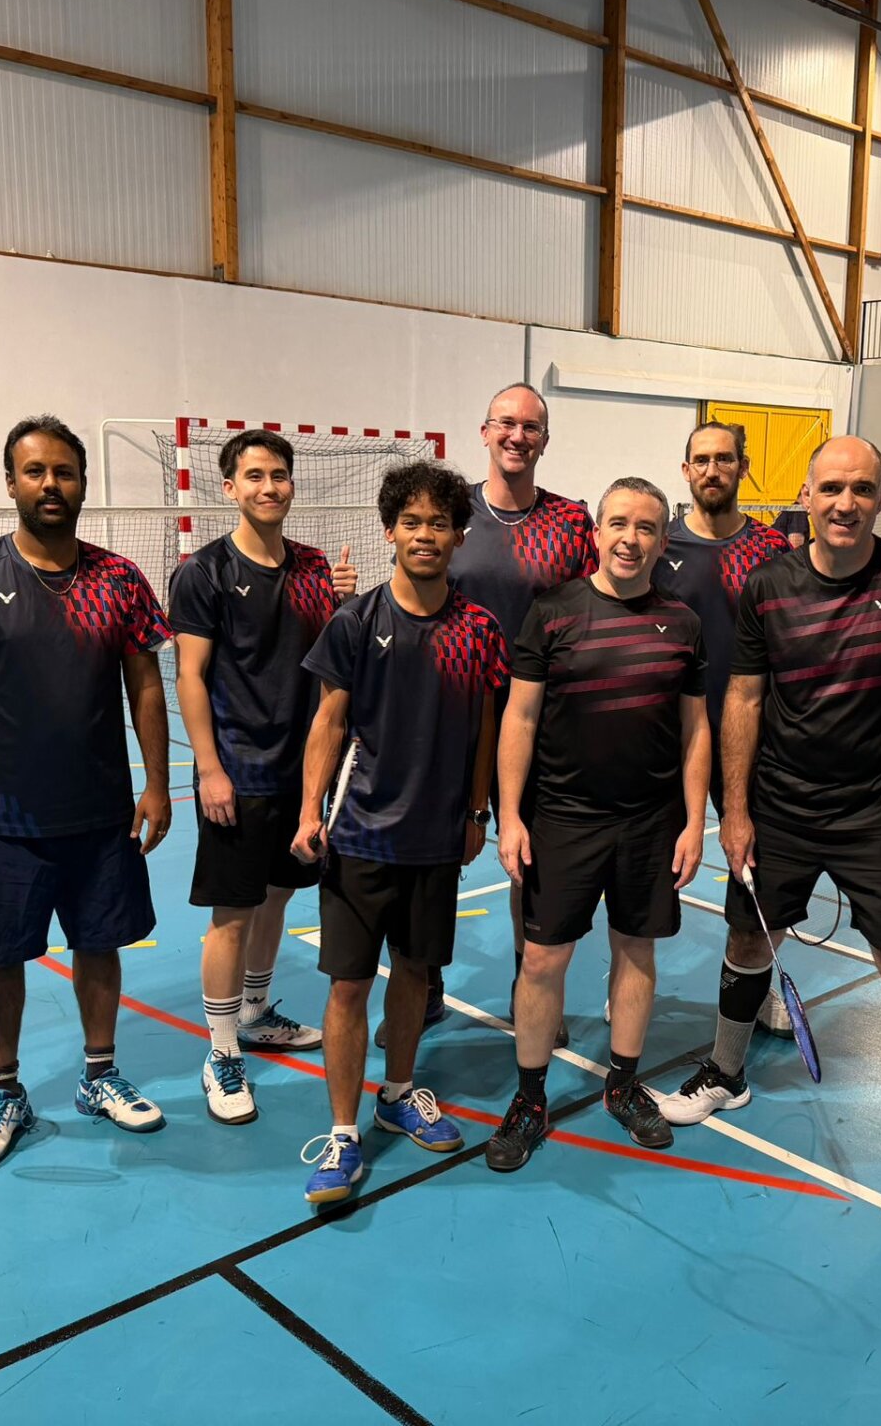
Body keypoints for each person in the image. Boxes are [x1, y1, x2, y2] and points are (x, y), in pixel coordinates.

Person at [654, 435, 881, 1215]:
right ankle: (726, 1074)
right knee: (747, 942)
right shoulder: (768, 585)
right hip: (781, 807)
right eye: (831, 487)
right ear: (806, 495)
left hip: (880, 814)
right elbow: (744, 698)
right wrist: (736, 811)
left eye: (862, 488)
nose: (845, 502)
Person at [0, 415, 173, 1170]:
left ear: (83, 484)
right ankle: (5, 1092)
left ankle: (100, 1075)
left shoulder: (118, 578)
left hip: (100, 812)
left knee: (100, 945)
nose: (51, 484)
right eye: (35, 471)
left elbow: (146, 688)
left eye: (64, 471)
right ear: (11, 483)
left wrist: (157, 784)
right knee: (1, 960)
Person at [293, 462, 509, 1205]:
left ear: (458, 535)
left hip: (437, 836)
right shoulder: (355, 623)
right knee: (349, 985)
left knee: (416, 974)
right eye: (411, 522)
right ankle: (343, 1134)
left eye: (438, 523)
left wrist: (477, 811)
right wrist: (308, 812)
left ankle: (399, 1092)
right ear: (389, 531)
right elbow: (328, 722)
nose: (425, 535)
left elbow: (484, 728)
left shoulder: (478, 630)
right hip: (359, 835)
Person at [485, 478, 709, 1170]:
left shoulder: (682, 623)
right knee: (543, 959)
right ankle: (530, 1099)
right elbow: (520, 718)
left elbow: (696, 729)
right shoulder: (553, 611)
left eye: (645, 528)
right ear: (596, 533)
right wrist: (511, 816)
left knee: (636, 952)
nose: (629, 539)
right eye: (618, 523)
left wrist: (694, 822)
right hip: (564, 817)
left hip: (650, 821)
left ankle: (623, 1085)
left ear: (662, 542)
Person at [172, 428, 359, 1125]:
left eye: (278, 475)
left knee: (278, 896)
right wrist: (209, 768)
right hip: (239, 771)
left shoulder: (313, 567)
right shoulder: (205, 573)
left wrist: (344, 602)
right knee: (232, 914)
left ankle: (253, 1012)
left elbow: (330, 658)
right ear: (229, 488)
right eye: (253, 476)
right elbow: (190, 676)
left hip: (301, 773)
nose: (269, 487)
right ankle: (222, 1052)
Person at [401, 382, 594, 1052]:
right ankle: (422, 983)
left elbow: (596, 605)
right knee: (432, 860)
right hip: (450, 716)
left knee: (530, 861)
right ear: (484, 432)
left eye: (531, 427)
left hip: (543, 722)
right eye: (506, 424)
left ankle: (528, 988)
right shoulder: (451, 513)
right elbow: (410, 591)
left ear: (545, 439)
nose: (518, 436)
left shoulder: (571, 522)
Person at [653, 420, 793, 1035]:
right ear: (686, 470)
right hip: (669, 738)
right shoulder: (658, 548)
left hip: (751, 740)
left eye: (725, 459)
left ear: (743, 467)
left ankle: (759, 986)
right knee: (649, 872)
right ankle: (625, 979)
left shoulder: (772, 549)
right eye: (702, 460)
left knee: (759, 868)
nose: (713, 470)